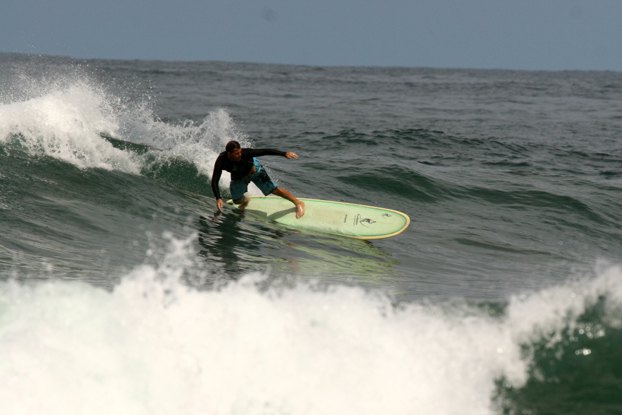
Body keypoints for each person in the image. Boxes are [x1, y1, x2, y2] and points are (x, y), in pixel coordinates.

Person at [211, 140, 305, 218]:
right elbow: (215, 180)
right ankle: (245, 201)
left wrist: (284, 153)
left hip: (255, 171)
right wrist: (218, 198)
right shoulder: (221, 161)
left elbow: (264, 151)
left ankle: (298, 203)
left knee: (273, 190)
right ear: (229, 154)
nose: (239, 155)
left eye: (240, 152)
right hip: (238, 176)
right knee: (236, 200)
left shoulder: (246, 153)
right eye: (236, 153)